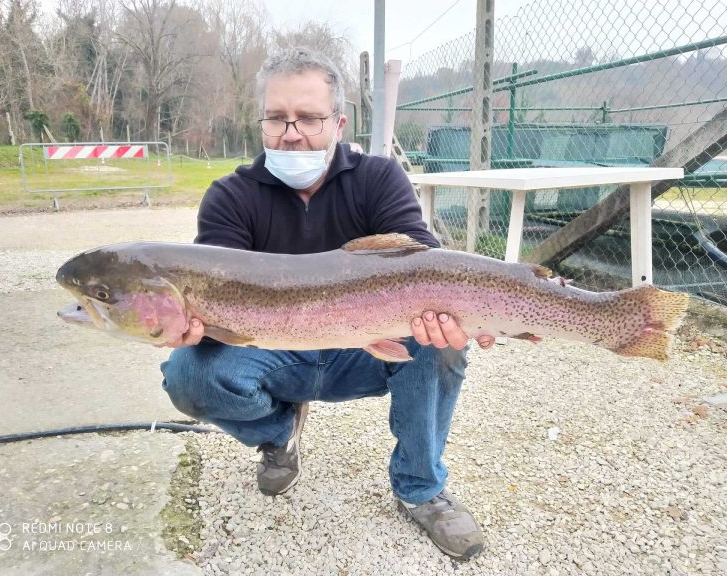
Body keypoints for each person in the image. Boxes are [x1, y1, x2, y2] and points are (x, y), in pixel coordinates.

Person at [160, 46, 494, 561]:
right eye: (277, 118)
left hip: (366, 350)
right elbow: (212, 282)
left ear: (338, 122)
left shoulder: (379, 178)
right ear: (262, 124)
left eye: (309, 118)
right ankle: (279, 434)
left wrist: (470, 314)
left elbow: (424, 260)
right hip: (277, 350)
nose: (292, 133)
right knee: (186, 372)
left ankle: (421, 488)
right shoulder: (230, 195)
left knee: (442, 345)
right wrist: (192, 321)